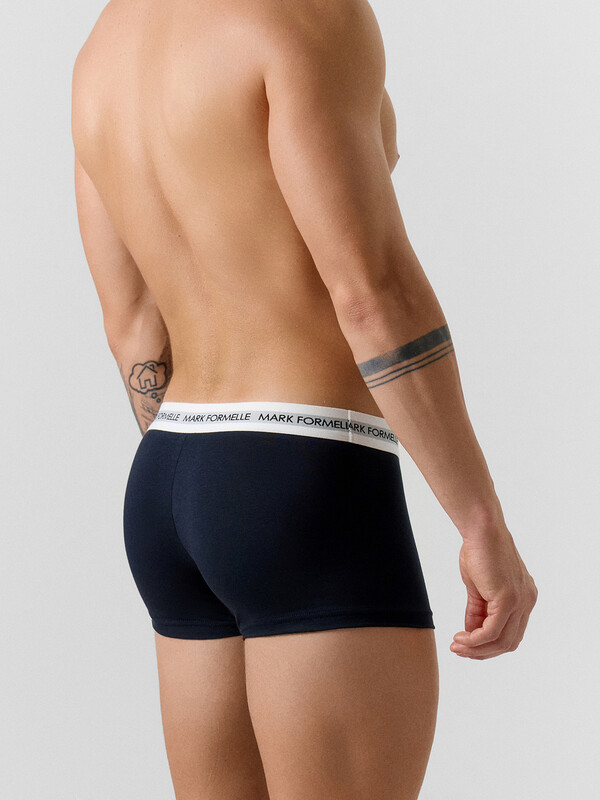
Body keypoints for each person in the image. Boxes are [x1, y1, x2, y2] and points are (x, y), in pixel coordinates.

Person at [71, 0, 538, 798]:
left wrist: (213, 495)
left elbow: (133, 326)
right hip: (305, 471)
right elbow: (372, 293)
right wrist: (479, 521)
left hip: (168, 478)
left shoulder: (105, 45)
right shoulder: (306, 15)